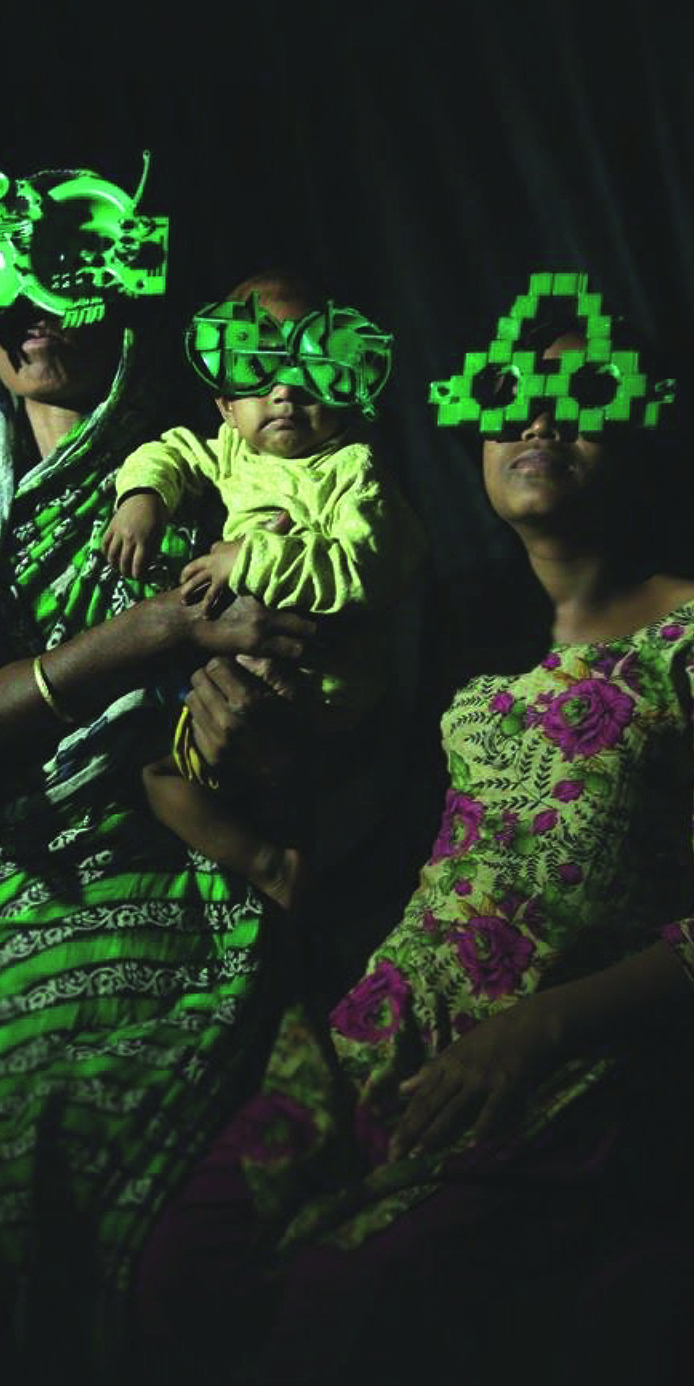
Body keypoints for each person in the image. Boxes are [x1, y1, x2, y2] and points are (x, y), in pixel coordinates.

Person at [134, 278, 694, 1386]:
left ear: (639, 415)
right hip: (378, 1039)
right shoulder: (453, 628)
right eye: (503, 395)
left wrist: (532, 1034)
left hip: (567, 1077)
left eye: (578, 392)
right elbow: (364, 834)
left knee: (343, 1304)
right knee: (178, 1264)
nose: (535, 419)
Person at [0, 157, 316, 1386]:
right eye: (0, 279)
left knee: (86, 1178)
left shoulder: (214, 477)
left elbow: (303, 702)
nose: (32, 307)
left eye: (64, 273)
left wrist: (259, 734)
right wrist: (149, 634)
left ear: (123, 294)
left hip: (179, 887)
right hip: (2, 892)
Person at [102, 269, 426, 911]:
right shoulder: (229, 452)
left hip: (326, 696)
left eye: (310, 367)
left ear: (349, 386)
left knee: (321, 807)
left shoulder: (351, 467)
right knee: (159, 779)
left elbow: (369, 568)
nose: (284, 390)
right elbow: (170, 453)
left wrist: (248, 560)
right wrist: (141, 499)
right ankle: (271, 868)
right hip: (236, 679)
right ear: (225, 405)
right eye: (258, 367)